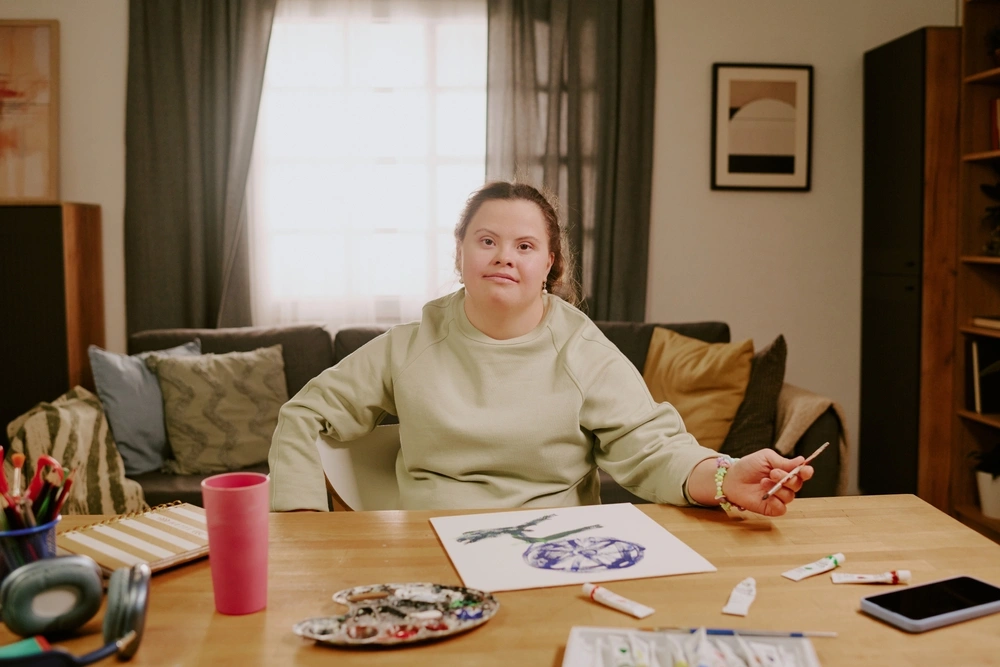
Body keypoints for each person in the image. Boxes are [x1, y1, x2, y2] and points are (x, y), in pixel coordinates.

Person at [267, 181, 813, 514]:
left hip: (552, 553)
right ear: (460, 254)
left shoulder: (583, 350)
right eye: (487, 240)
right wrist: (299, 526)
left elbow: (653, 449)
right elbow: (305, 414)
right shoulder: (408, 346)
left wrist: (725, 478)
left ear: (550, 264)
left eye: (525, 246)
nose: (504, 256)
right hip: (428, 549)